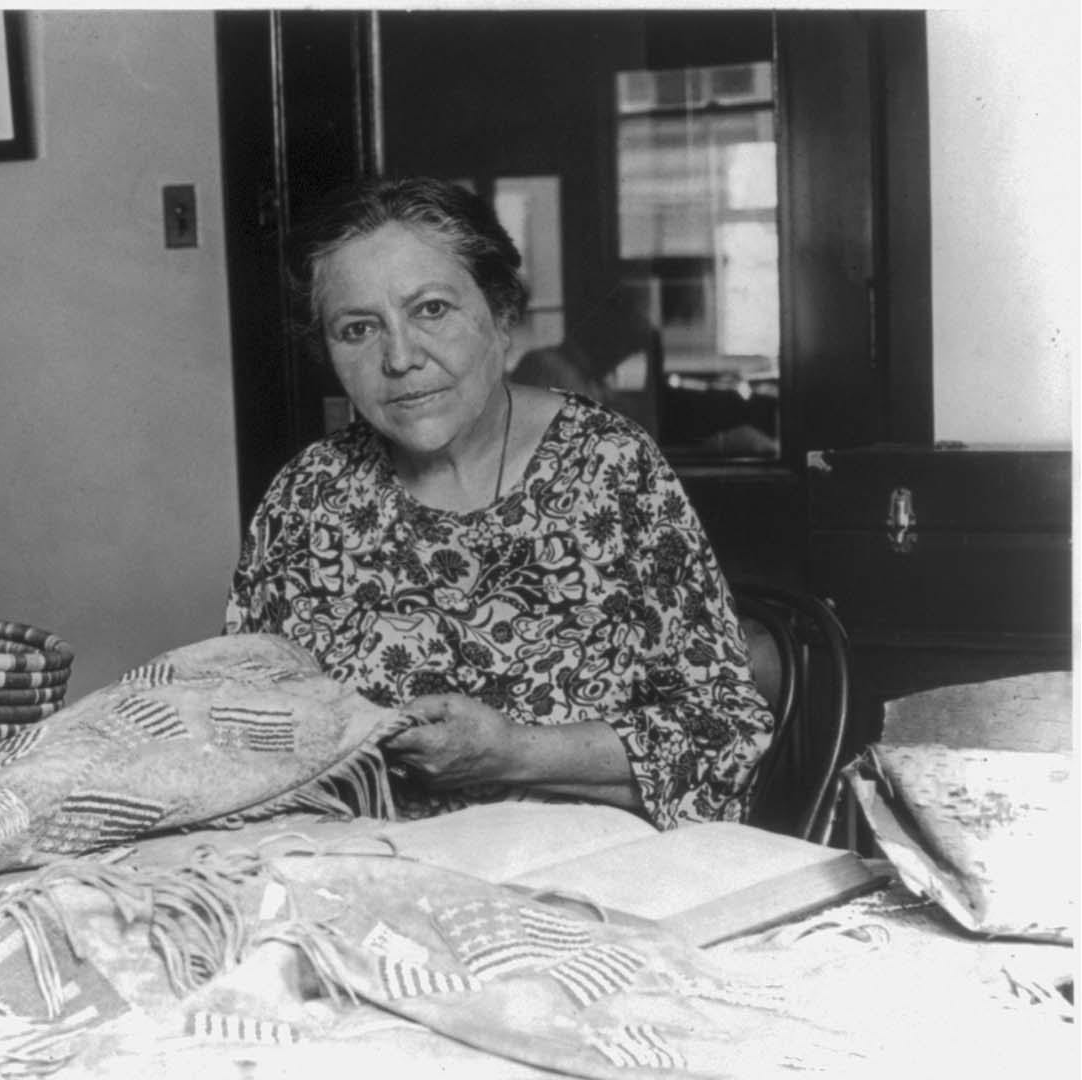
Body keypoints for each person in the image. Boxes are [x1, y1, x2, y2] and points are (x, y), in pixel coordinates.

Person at [224, 176, 772, 829]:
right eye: (358, 328)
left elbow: (725, 739)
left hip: (587, 882)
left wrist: (511, 754)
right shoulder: (309, 495)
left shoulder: (610, 472)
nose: (399, 358)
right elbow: (243, 746)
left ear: (502, 315)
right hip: (370, 884)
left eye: (431, 310)